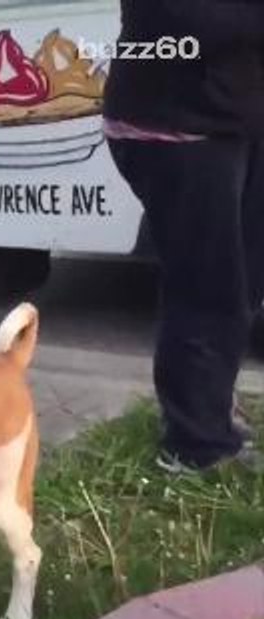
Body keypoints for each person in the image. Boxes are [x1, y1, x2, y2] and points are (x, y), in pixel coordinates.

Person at [103, 0, 264, 472]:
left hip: (236, 123)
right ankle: (195, 446)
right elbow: (193, 22)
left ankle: (212, 409)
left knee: (243, 284)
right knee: (205, 291)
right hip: (174, 128)